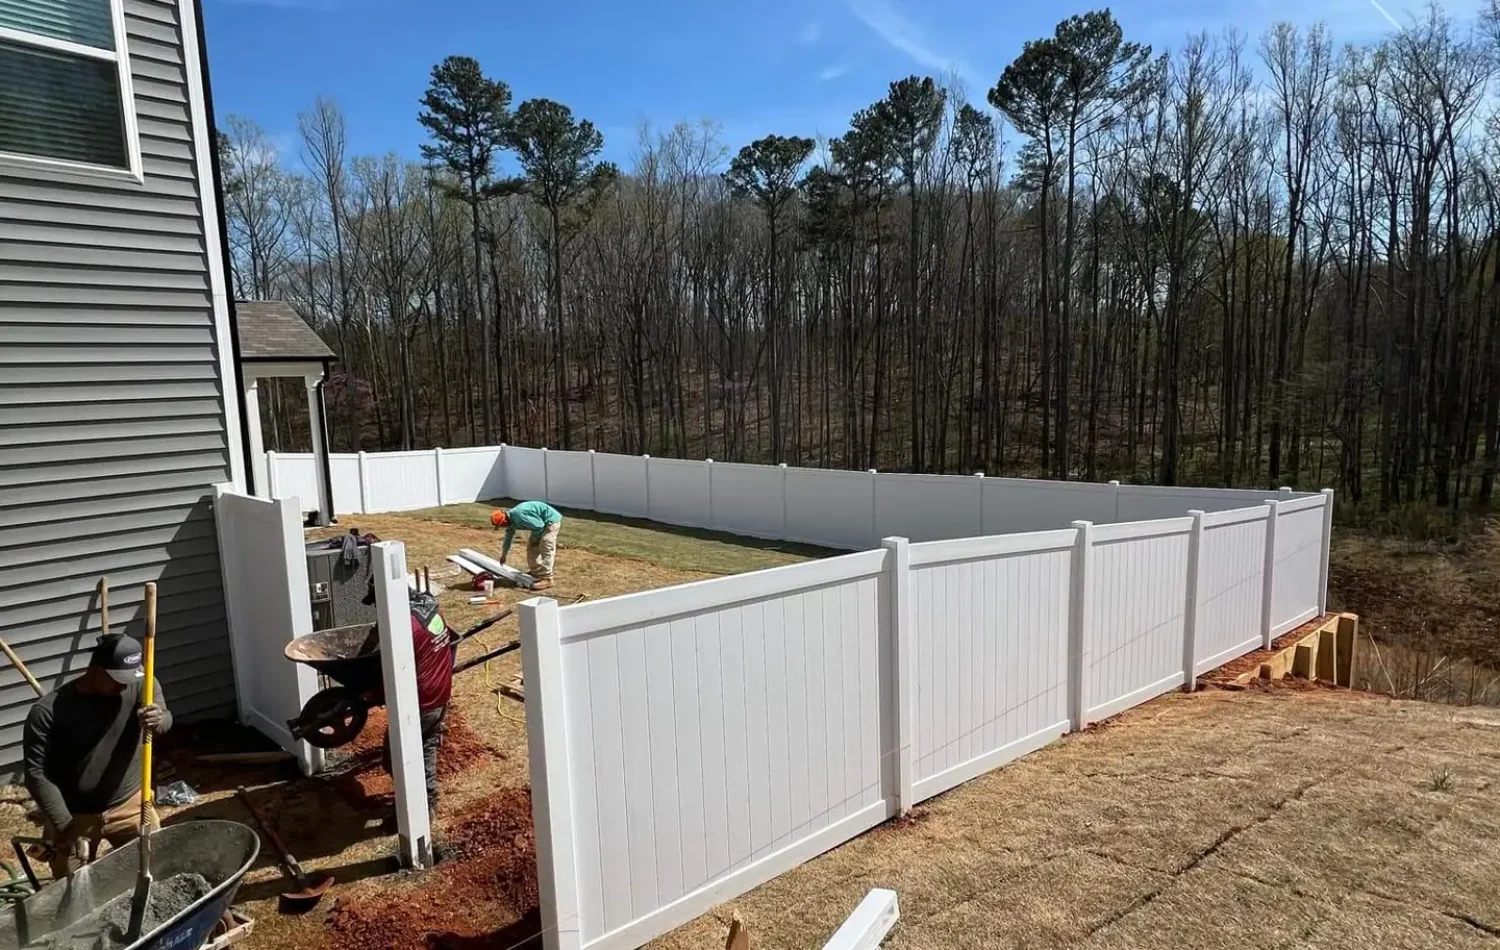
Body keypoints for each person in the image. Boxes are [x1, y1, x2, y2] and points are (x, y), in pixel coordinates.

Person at [23, 634, 170, 878]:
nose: (124, 686)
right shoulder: (48, 712)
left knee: (156, 870)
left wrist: (159, 719)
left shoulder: (142, 685)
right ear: (95, 670)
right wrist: (65, 826)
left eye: (130, 678)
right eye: (117, 680)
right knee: (70, 884)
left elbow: (165, 719)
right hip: (73, 813)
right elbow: (36, 773)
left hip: (130, 805)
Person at [364, 582, 454, 816]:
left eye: (377, 604)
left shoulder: (403, 628)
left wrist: (375, 693)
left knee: (393, 756)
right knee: (426, 746)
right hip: (440, 694)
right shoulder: (430, 609)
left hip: (420, 702)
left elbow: (395, 671)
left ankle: (412, 808)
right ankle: (428, 801)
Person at [490, 501, 562, 590]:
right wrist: (504, 554)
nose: (503, 527)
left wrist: (535, 540)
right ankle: (537, 572)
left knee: (546, 544)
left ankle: (548, 578)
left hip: (551, 521)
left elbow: (539, 526)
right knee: (531, 548)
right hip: (540, 525)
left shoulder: (519, 515)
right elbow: (508, 538)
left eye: (501, 525)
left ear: (504, 521)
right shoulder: (510, 521)